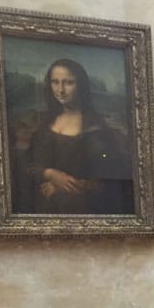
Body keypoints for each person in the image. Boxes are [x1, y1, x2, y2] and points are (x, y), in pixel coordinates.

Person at [25, 58, 133, 214]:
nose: (60, 90)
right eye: (55, 82)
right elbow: (26, 165)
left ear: (81, 86)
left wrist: (69, 186)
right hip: (44, 212)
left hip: (83, 210)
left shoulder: (97, 130)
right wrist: (50, 174)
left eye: (68, 83)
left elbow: (112, 178)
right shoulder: (45, 124)